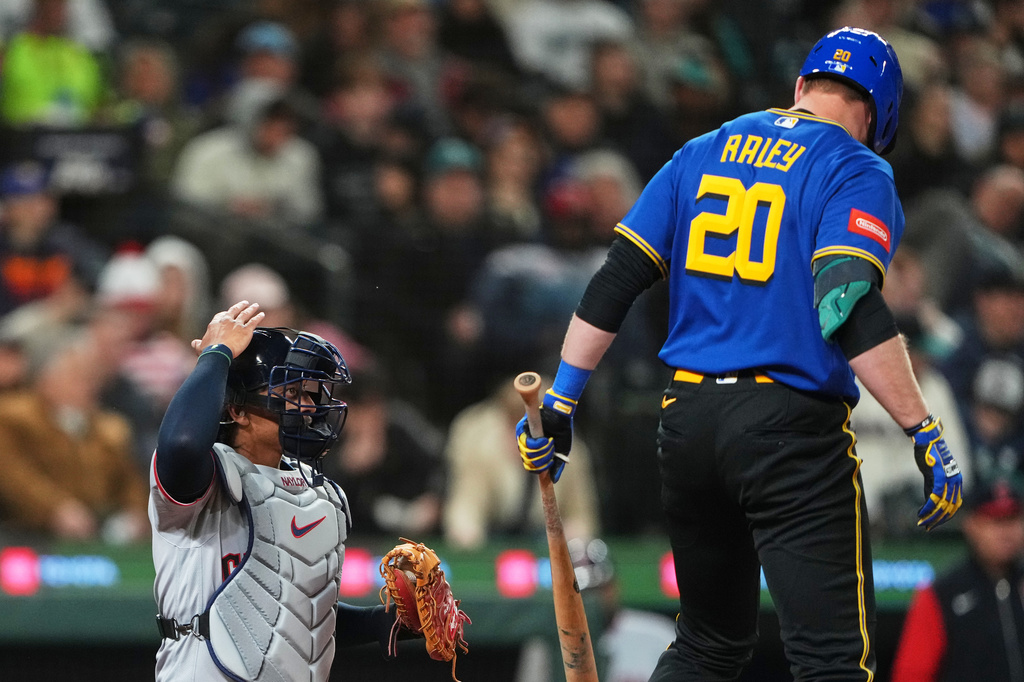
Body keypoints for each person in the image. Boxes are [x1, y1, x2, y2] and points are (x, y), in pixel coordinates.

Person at [515, 27, 964, 680]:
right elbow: (843, 298)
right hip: (789, 429)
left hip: (688, 420)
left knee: (708, 645)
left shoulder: (704, 147)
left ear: (802, 86)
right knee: (833, 661)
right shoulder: (856, 167)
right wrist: (922, 427)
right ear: (880, 113)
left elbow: (616, 281)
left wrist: (560, 401)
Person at [150, 301, 416, 680]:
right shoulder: (205, 475)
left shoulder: (316, 492)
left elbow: (291, 613)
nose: (306, 408)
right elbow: (182, 444)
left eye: (310, 394)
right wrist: (217, 354)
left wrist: (382, 622)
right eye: (291, 392)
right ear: (237, 410)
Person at [890, 478, 1024, 681]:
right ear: (971, 524)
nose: (1005, 532)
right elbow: (911, 675)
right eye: (994, 521)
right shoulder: (942, 593)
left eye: (1012, 519)